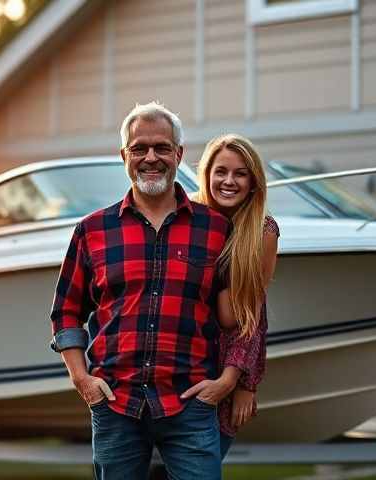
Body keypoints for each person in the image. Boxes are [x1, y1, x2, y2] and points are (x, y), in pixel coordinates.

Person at [49, 102, 242, 480]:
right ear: (124, 156)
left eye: (162, 148)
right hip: (115, 403)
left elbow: (240, 318)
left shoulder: (217, 230)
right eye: (139, 148)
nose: (150, 157)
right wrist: (81, 379)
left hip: (191, 402)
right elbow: (66, 311)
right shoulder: (93, 230)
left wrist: (229, 381)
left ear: (179, 155)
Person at [187, 134, 279, 458]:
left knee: (204, 466)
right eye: (221, 171)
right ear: (207, 174)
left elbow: (251, 317)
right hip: (180, 360)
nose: (229, 181)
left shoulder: (263, 232)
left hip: (225, 367)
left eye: (240, 173)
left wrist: (243, 383)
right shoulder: (187, 216)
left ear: (253, 181)